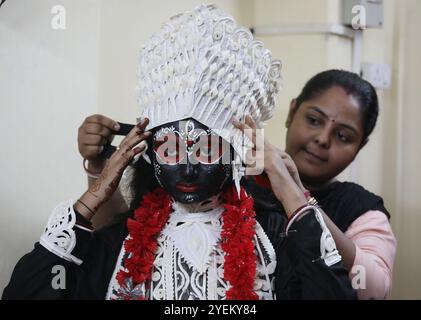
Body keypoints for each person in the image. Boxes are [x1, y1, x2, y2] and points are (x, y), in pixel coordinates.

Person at [2, 5, 355, 300]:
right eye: (170, 151)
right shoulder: (119, 243)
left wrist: (290, 191)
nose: (187, 170)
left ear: (235, 156)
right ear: (150, 155)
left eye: (205, 150)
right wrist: (96, 191)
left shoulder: (273, 239)